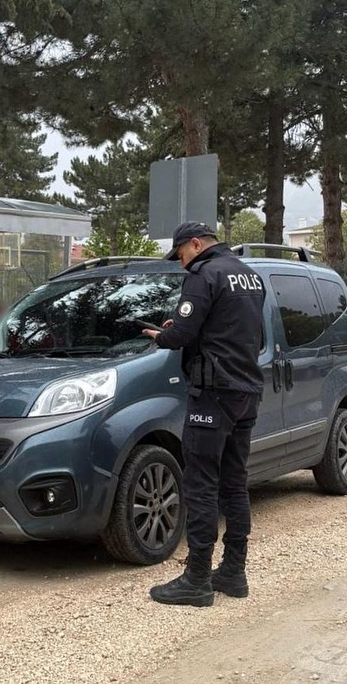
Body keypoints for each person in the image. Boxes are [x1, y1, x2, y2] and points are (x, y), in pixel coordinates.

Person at [141, 222, 265, 607]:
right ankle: (233, 571)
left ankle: (196, 579)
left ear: (195, 245)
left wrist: (163, 335)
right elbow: (232, 329)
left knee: (201, 485)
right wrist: (185, 327)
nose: (181, 265)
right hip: (246, 391)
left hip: (212, 394)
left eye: (181, 255)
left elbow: (180, 336)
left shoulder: (204, 273)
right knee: (234, 482)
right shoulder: (249, 275)